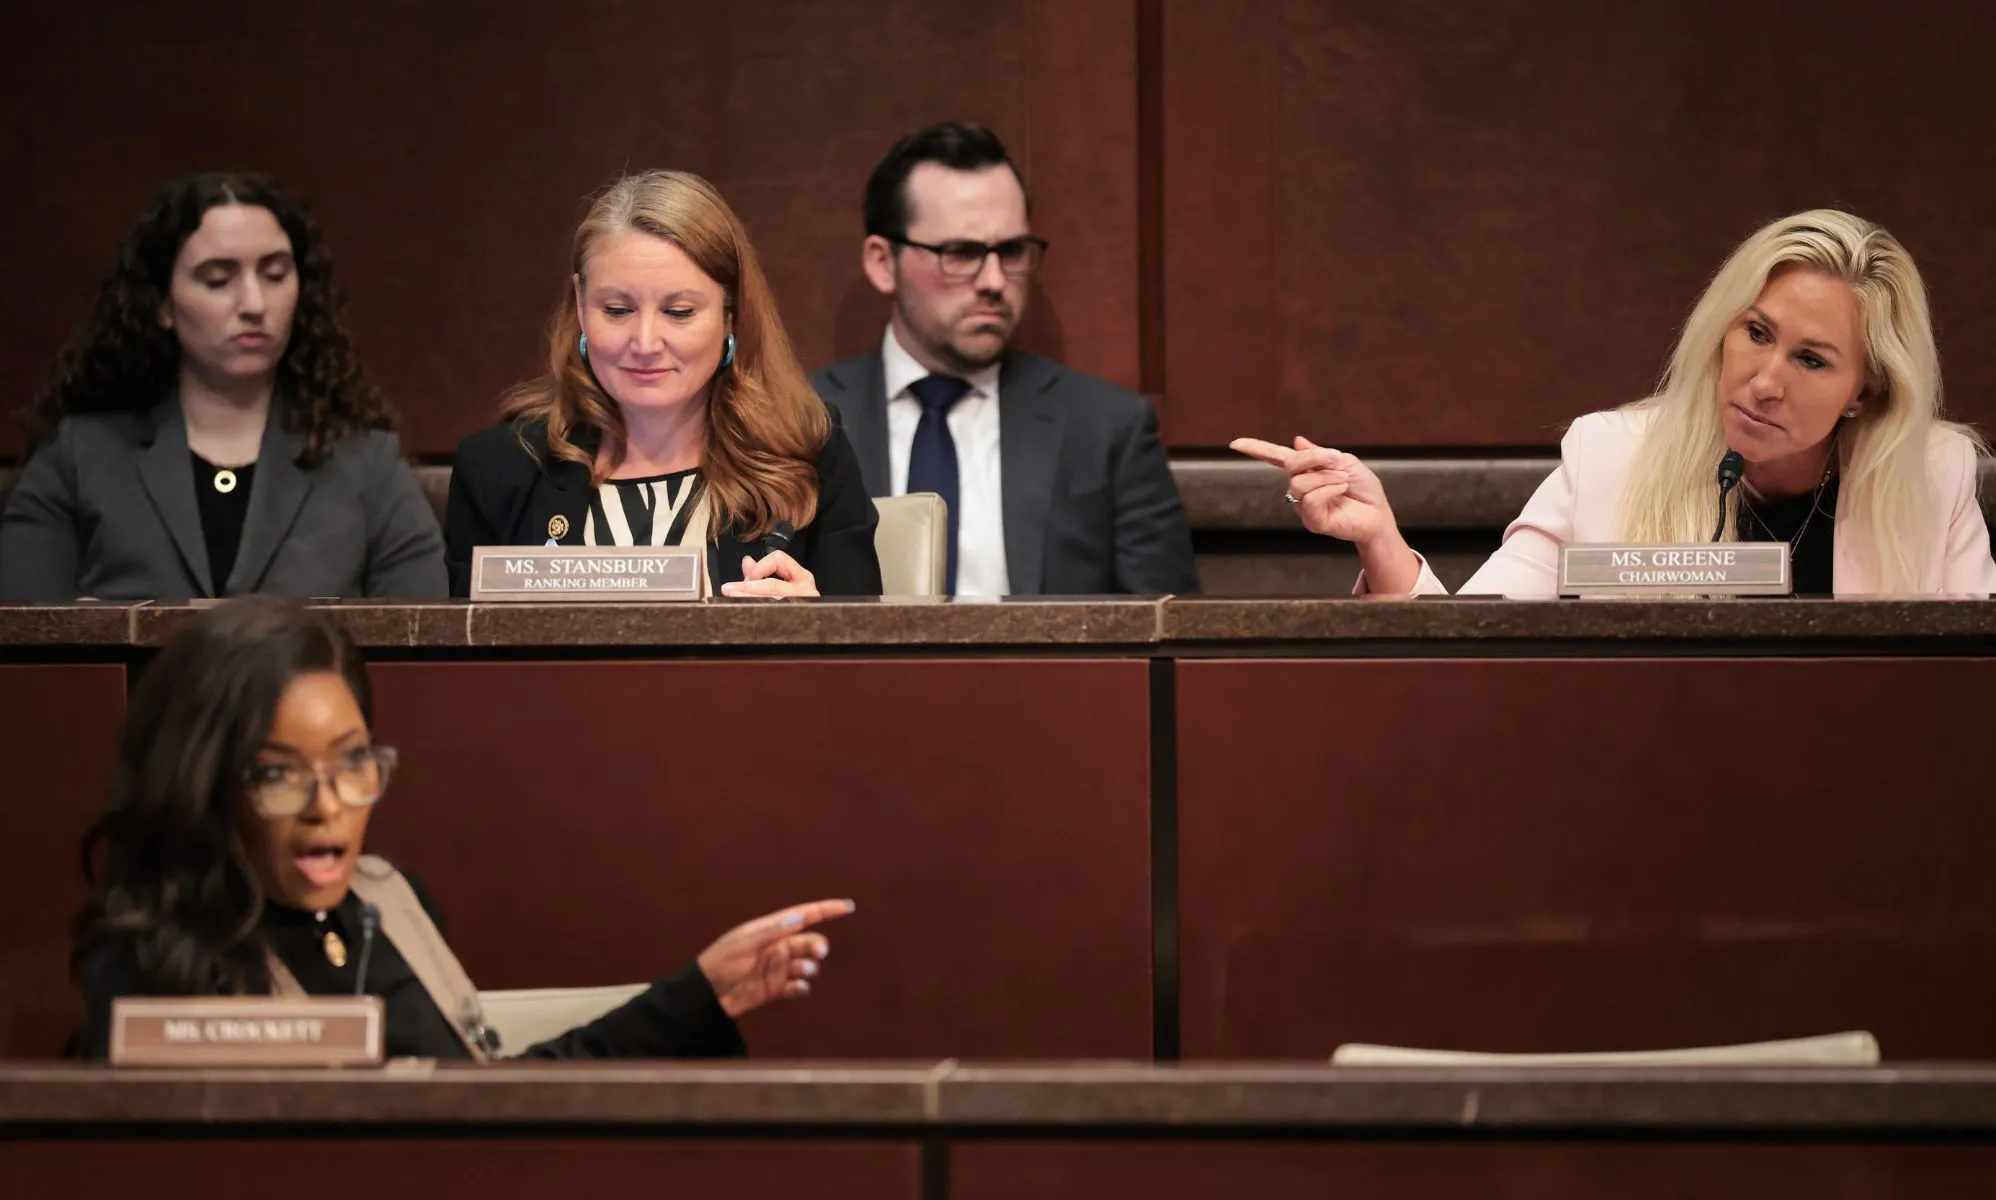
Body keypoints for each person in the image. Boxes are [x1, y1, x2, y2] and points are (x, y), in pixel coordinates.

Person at [71, 596, 852, 1060]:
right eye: (279, 774)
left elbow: (489, 1108)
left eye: (351, 762)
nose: (327, 805)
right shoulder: (151, 963)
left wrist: (698, 993)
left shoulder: (386, 905)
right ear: (206, 782)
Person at [1235, 209, 1996, 596]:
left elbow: (1969, 688)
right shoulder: (1611, 457)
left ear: (1864, 390)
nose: (1766, 381)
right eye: (1756, 333)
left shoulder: (1935, 474)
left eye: (1811, 360)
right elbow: (1475, 643)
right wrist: (1381, 539)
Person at [0, 172, 446, 602]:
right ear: (161, 304)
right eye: (218, 279)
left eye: (275, 275)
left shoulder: (366, 462)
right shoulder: (79, 457)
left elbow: (419, 636)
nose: (254, 304)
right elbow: (27, 635)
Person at [446, 170, 882, 598]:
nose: (645, 343)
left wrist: (815, 624)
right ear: (580, 304)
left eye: (679, 312)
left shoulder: (806, 450)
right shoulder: (499, 468)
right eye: (617, 310)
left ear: (731, 313)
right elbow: (464, 643)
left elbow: (867, 640)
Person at [812, 122, 1198, 597]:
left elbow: (1169, 622)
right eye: (960, 252)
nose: (994, 280)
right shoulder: (800, 422)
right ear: (882, 262)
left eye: (1011, 251)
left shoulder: (1106, 428)